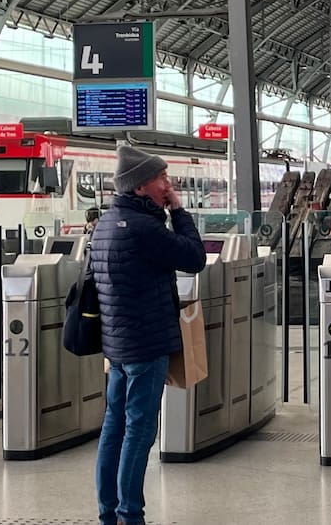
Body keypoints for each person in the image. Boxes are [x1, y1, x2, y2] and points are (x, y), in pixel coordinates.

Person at [88, 145, 206, 525]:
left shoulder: (106, 223)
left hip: (119, 345)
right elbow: (194, 257)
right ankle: (130, 514)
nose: (168, 184)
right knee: (139, 430)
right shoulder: (143, 228)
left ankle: (109, 513)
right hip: (146, 344)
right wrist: (178, 210)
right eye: (161, 178)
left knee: (114, 426)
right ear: (141, 186)